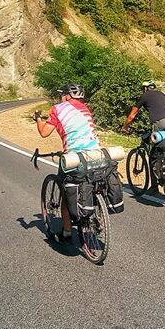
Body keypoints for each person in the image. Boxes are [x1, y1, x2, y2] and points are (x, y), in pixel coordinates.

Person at [34, 83, 100, 243]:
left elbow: (44, 132)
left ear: (67, 96)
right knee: (90, 182)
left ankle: (67, 232)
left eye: (63, 94)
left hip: (74, 157)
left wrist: (38, 119)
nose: (61, 97)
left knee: (65, 190)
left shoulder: (58, 109)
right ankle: (95, 213)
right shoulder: (86, 108)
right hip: (96, 154)